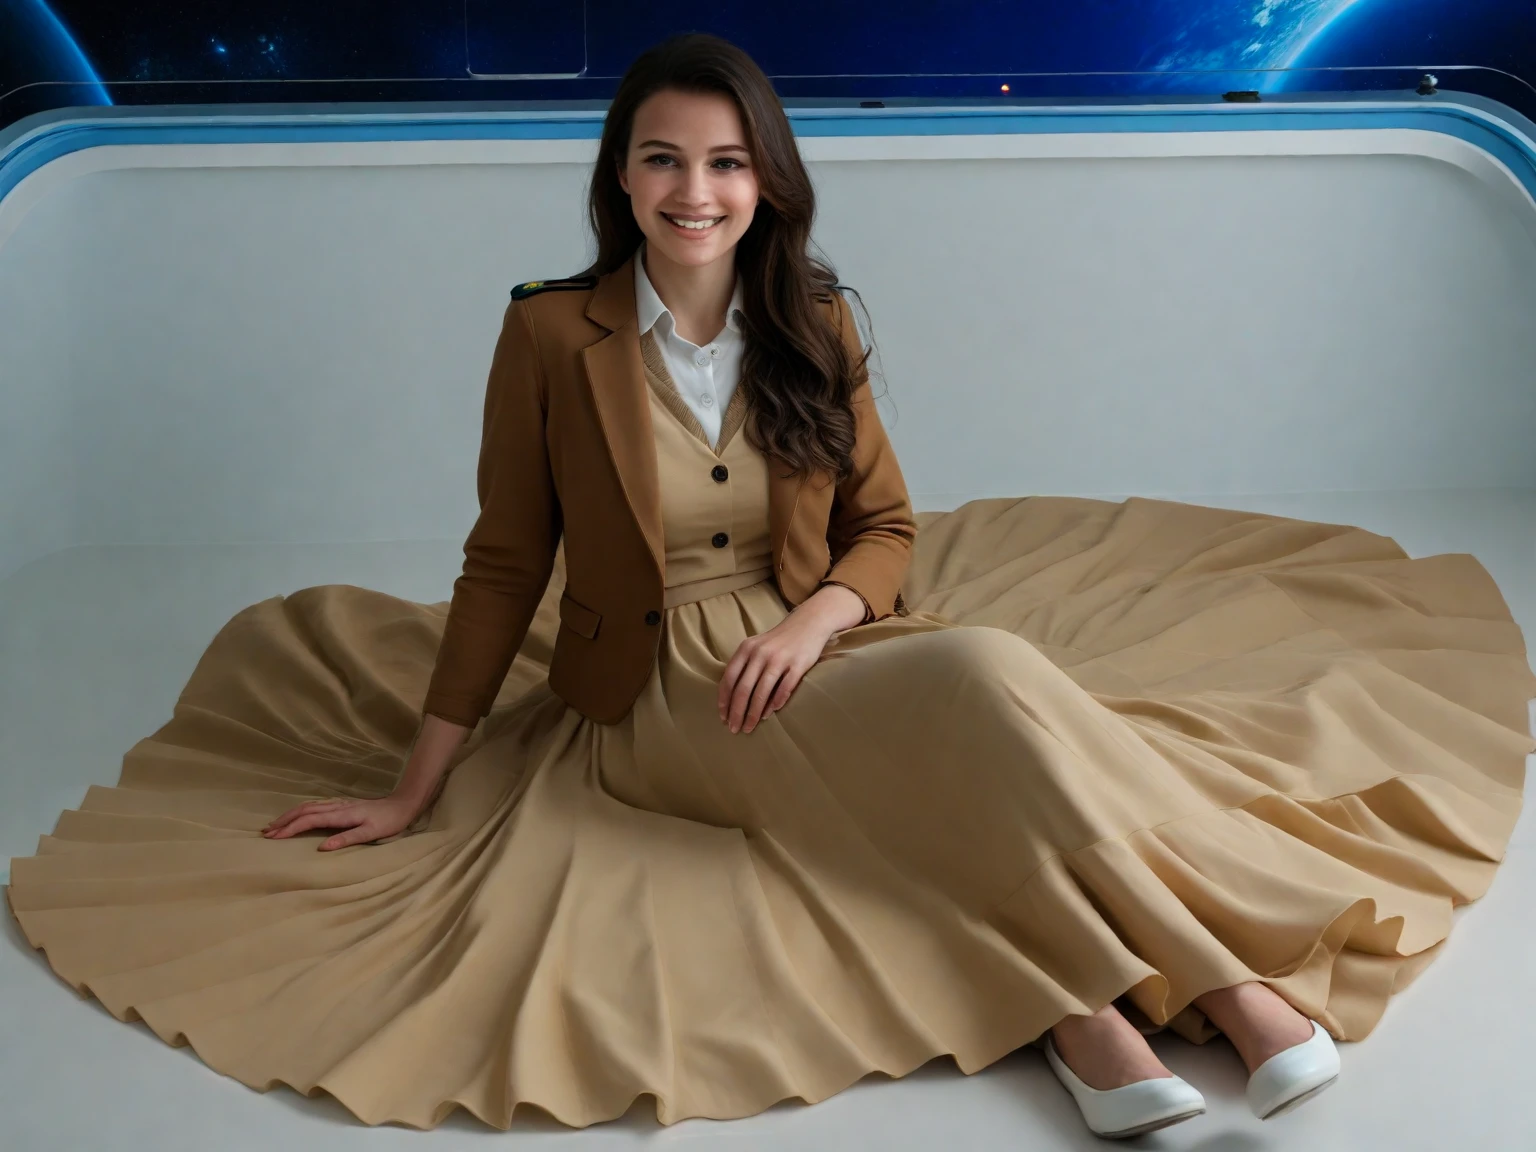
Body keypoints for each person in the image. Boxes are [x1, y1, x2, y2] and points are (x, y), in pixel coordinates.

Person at [8, 31, 1533, 1141]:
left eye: (726, 161)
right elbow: (499, 563)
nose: (696, 189)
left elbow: (887, 528)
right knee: (894, 769)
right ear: (621, 173)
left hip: (814, 647)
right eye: (664, 158)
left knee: (992, 683)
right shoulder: (551, 339)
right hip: (654, 689)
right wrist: (417, 788)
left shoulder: (816, 319)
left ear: (766, 179)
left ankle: (1095, 1021)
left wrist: (820, 615)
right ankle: (1199, 997)